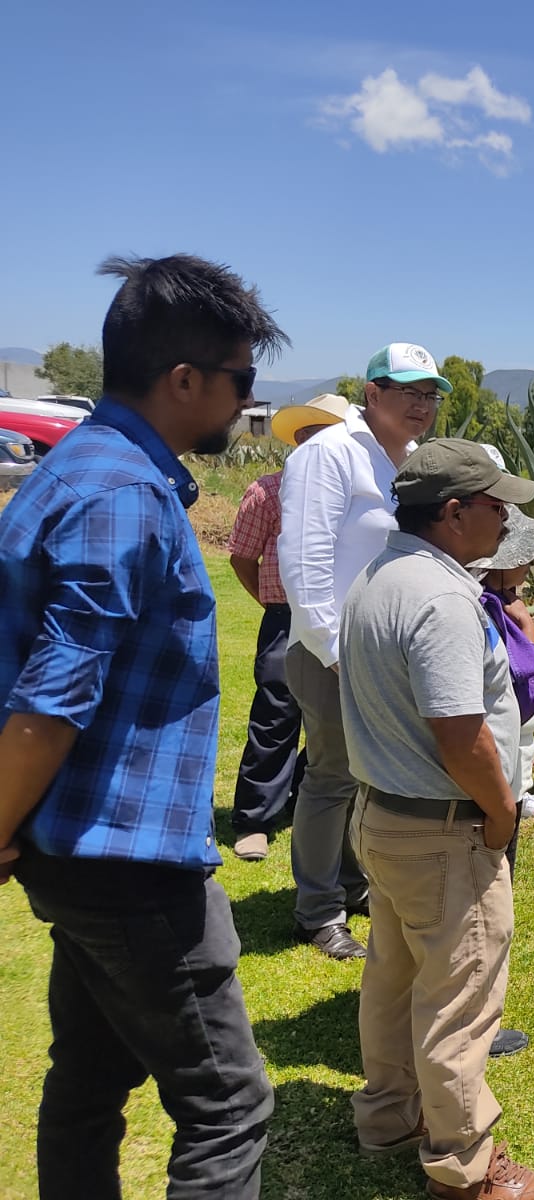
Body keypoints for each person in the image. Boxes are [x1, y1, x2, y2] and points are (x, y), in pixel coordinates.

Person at [0, 254, 286, 1198]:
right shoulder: (122, 495)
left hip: (79, 847)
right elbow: (53, 693)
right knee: (229, 1107)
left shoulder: (83, 469)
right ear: (185, 381)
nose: (246, 401)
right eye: (243, 381)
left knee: (90, 1077)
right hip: (125, 857)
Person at [340, 439, 534, 1200]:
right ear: (453, 511)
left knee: (395, 980)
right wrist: (502, 814)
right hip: (442, 831)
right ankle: (467, 1169)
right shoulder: (441, 598)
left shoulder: (380, 576)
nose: (506, 516)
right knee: (460, 1002)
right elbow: (460, 732)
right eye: (495, 503)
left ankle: (387, 1117)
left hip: (383, 817)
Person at [278, 343, 451, 960]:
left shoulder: (407, 460)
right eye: (408, 391)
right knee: (331, 777)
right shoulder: (330, 454)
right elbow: (303, 561)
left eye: (430, 394)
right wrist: (333, 652)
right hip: (335, 654)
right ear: (371, 393)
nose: (421, 405)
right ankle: (318, 911)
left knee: (369, 776)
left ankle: (353, 885)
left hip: (387, 652)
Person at [227, 393, 350, 861]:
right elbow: (242, 557)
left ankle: (303, 793)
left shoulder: (351, 497)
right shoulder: (267, 491)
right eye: (313, 437)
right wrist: (270, 601)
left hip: (338, 615)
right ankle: (255, 818)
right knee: (278, 713)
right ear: (299, 441)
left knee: (333, 715)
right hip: (285, 616)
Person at [472, 492, 534, 822]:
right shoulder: (488, 606)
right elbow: (523, 662)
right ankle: (509, 796)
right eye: (522, 559)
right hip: (501, 703)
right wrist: (522, 623)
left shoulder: (511, 602)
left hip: (520, 714)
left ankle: (520, 792)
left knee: (524, 741)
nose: (528, 565)